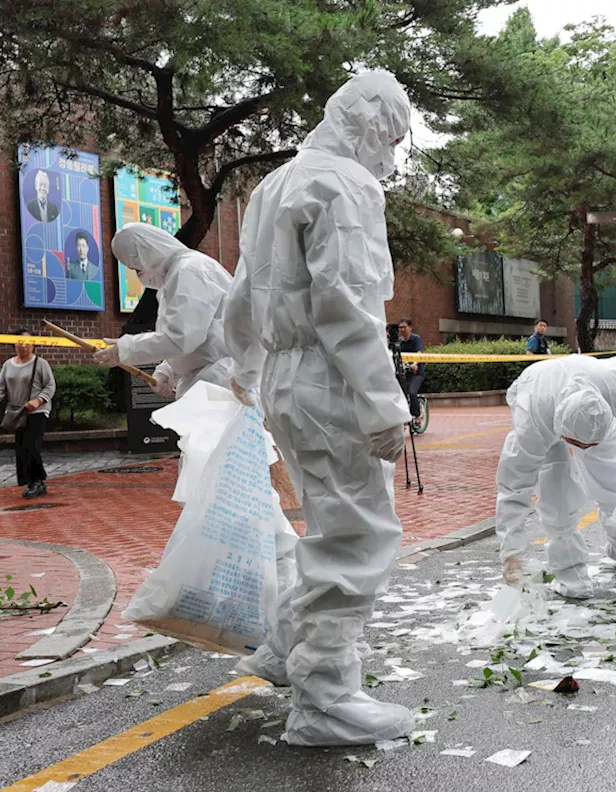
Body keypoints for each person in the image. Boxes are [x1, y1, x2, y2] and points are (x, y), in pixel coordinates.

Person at [222, 71, 414, 747]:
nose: (391, 153)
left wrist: (246, 370)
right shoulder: (347, 185)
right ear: (370, 124)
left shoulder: (275, 183)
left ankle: (284, 648)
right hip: (329, 381)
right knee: (355, 535)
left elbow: (243, 293)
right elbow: (349, 301)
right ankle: (325, 696)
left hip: (284, 375)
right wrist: (383, 404)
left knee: (326, 523)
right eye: (392, 136)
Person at [497, 355, 616, 599]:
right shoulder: (533, 421)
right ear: (563, 432)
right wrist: (511, 554)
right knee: (556, 492)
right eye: (576, 444)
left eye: (589, 444)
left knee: (612, 483)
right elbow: (514, 487)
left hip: (589, 402)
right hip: (539, 394)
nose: (583, 450)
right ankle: (571, 572)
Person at [93, 222, 232, 400]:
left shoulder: (189, 271)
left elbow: (181, 338)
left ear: (143, 254)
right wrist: (168, 371)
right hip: (210, 381)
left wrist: (127, 349)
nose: (138, 274)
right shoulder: (181, 273)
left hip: (220, 383)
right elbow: (194, 338)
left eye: (136, 268)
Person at [0, 332, 56, 498]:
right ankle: (33, 481)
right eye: (19, 342)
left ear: (34, 344)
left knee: (32, 446)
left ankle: (36, 481)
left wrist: (38, 401)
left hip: (38, 411)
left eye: (27, 342)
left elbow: (50, 386)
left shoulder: (40, 363)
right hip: (18, 412)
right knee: (22, 448)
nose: (23, 345)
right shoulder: (8, 364)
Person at [397, 318, 425, 429]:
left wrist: (414, 363)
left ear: (410, 328)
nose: (402, 329)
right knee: (400, 394)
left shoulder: (416, 339)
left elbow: (419, 353)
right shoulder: (399, 341)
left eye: (404, 327)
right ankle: (403, 418)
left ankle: (417, 416)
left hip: (416, 373)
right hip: (403, 372)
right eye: (400, 327)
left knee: (412, 393)